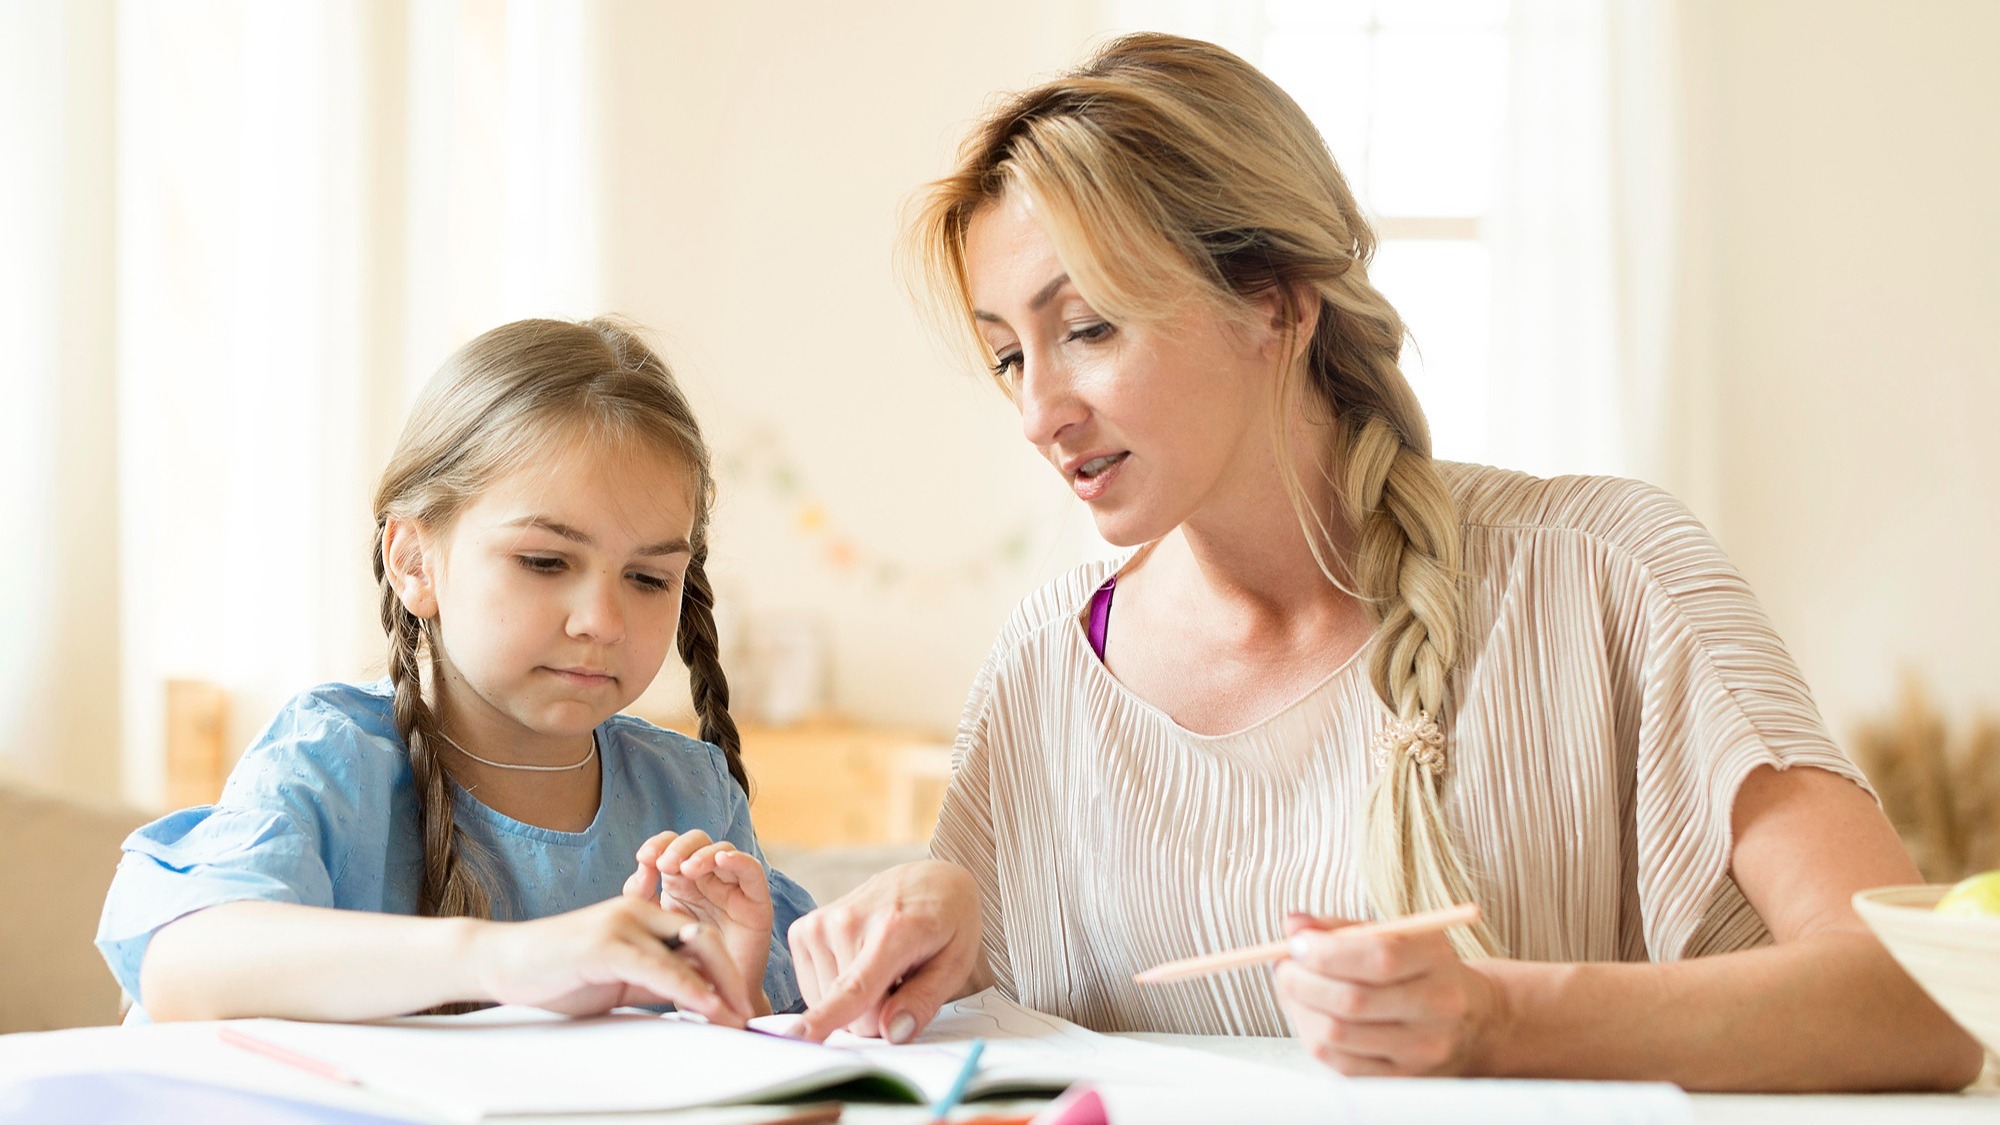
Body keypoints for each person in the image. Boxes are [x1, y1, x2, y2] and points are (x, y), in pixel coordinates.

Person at [784, 34, 1983, 1090]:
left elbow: (1921, 1002)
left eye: (1087, 327)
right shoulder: (1045, 666)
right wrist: (921, 937)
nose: (1038, 411)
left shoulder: (1608, 576)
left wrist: (1502, 1017)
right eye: (1007, 358)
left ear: (1275, 301)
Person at [96, 318, 813, 1024]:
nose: (603, 619)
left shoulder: (690, 792)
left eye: (649, 577)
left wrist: (736, 1002)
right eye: (544, 561)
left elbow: (757, 1057)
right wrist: (506, 956)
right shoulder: (334, 757)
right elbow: (179, 966)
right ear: (413, 560)